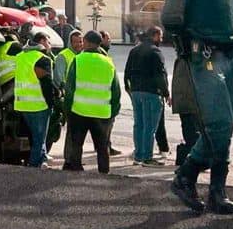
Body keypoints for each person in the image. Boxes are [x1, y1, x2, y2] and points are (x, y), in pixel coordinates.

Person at [164, 0, 233, 215]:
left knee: (227, 126)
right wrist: (194, 43)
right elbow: (171, 19)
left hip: (228, 58)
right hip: (204, 59)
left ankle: (216, 192)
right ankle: (186, 176)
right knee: (219, 125)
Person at [62, 30, 122, 174]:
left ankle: (76, 172)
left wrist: (67, 110)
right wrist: (113, 111)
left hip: (79, 111)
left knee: (77, 145)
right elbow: (116, 91)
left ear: (87, 42)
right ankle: (104, 174)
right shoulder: (109, 62)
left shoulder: (78, 60)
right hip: (102, 113)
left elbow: (69, 88)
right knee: (102, 148)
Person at [124, 26, 168, 167]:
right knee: (150, 126)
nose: (161, 39)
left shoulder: (134, 50)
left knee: (139, 124)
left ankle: (138, 155)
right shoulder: (156, 52)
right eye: (160, 36)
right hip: (151, 92)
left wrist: (130, 89)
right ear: (154, 35)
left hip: (136, 91)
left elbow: (127, 72)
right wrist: (166, 93)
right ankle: (147, 157)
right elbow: (160, 75)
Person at [16, 31, 58, 167]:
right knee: (39, 140)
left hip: (22, 104)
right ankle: (34, 168)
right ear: (41, 41)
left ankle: (42, 160)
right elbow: (46, 84)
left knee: (35, 139)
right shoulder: (43, 59)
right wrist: (51, 103)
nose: (49, 45)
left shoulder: (21, 56)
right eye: (48, 41)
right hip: (39, 105)